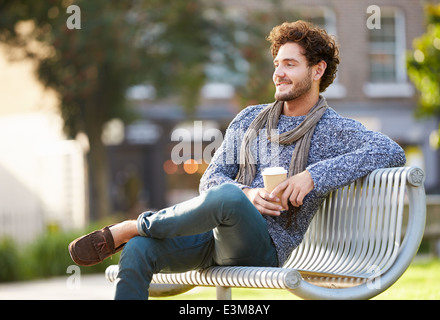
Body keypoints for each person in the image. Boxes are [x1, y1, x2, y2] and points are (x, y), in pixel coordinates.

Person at [68, 20, 406, 300]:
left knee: (228, 196)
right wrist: (249, 195)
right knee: (139, 250)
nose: (278, 73)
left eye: (290, 64)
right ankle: (137, 234)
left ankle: (131, 226)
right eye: (277, 64)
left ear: (317, 70)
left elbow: (391, 152)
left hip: (266, 246)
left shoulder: (334, 129)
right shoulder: (249, 120)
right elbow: (211, 181)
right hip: (214, 235)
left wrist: (312, 176)